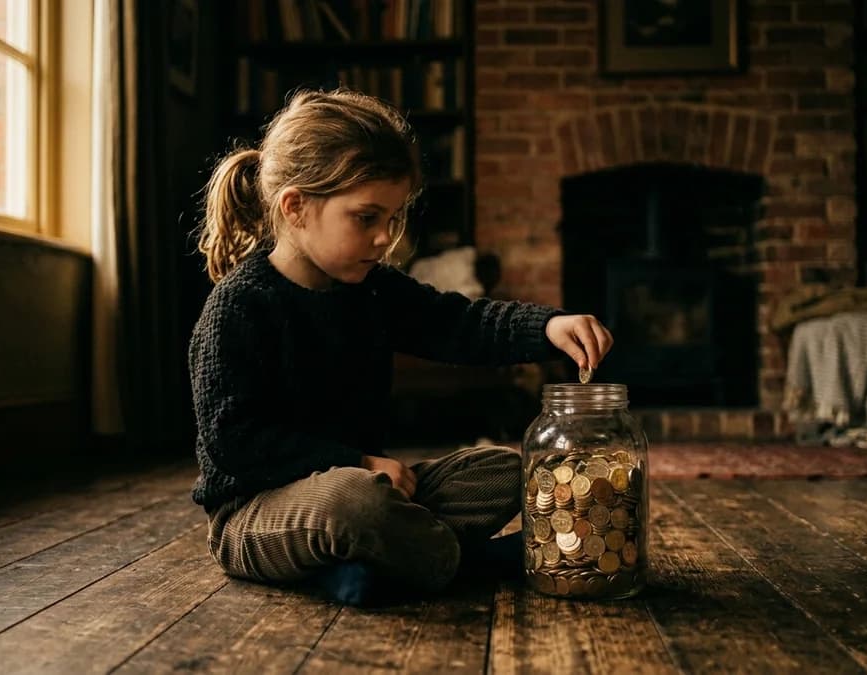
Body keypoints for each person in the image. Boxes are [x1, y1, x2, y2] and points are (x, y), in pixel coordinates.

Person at [189, 88, 613, 606]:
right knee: (357, 505)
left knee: (508, 471)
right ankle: (463, 562)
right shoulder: (238, 308)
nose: (383, 239)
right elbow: (235, 442)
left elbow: (460, 322)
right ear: (296, 207)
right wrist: (360, 463)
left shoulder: (371, 288)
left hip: (372, 484)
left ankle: (371, 563)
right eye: (366, 218)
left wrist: (548, 325)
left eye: (392, 219)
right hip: (259, 513)